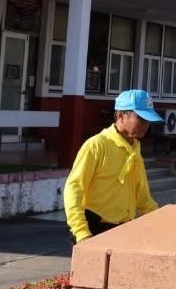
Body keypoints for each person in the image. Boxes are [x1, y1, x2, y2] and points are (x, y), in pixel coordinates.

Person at [64, 89, 162, 243]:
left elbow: (143, 198)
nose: (146, 124)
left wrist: (163, 221)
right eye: (141, 118)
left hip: (122, 230)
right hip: (94, 228)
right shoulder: (97, 145)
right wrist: (81, 232)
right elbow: (74, 188)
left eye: (148, 120)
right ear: (121, 115)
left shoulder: (134, 149)